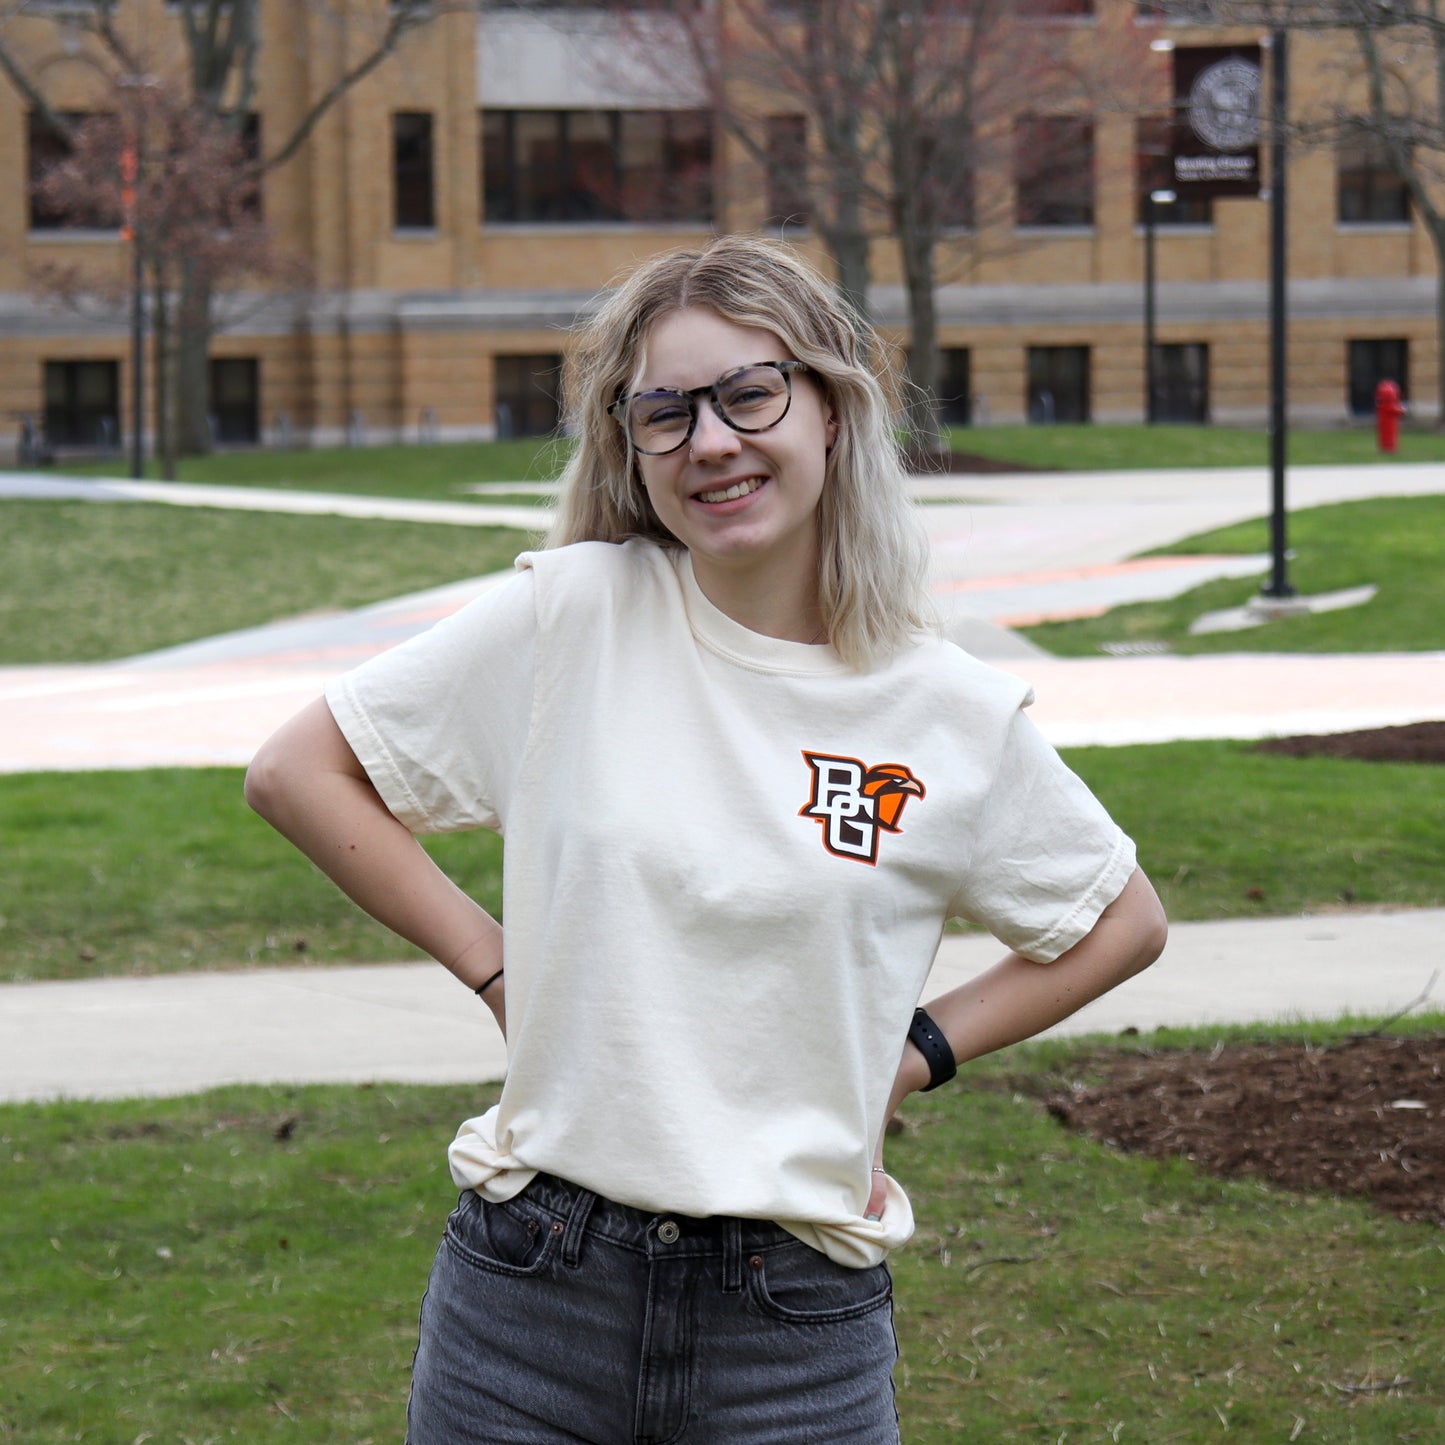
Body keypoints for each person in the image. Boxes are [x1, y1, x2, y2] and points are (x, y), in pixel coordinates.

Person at [244, 234, 1167, 1444]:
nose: (712, 441)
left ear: (834, 410)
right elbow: (295, 771)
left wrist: (912, 1055)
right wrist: (494, 964)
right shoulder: (572, 615)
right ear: (629, 444)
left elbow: (1120, 920)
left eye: (749, 393)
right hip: (530, 1299)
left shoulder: (945, 709)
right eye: (664, 413)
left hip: (793, 1324)